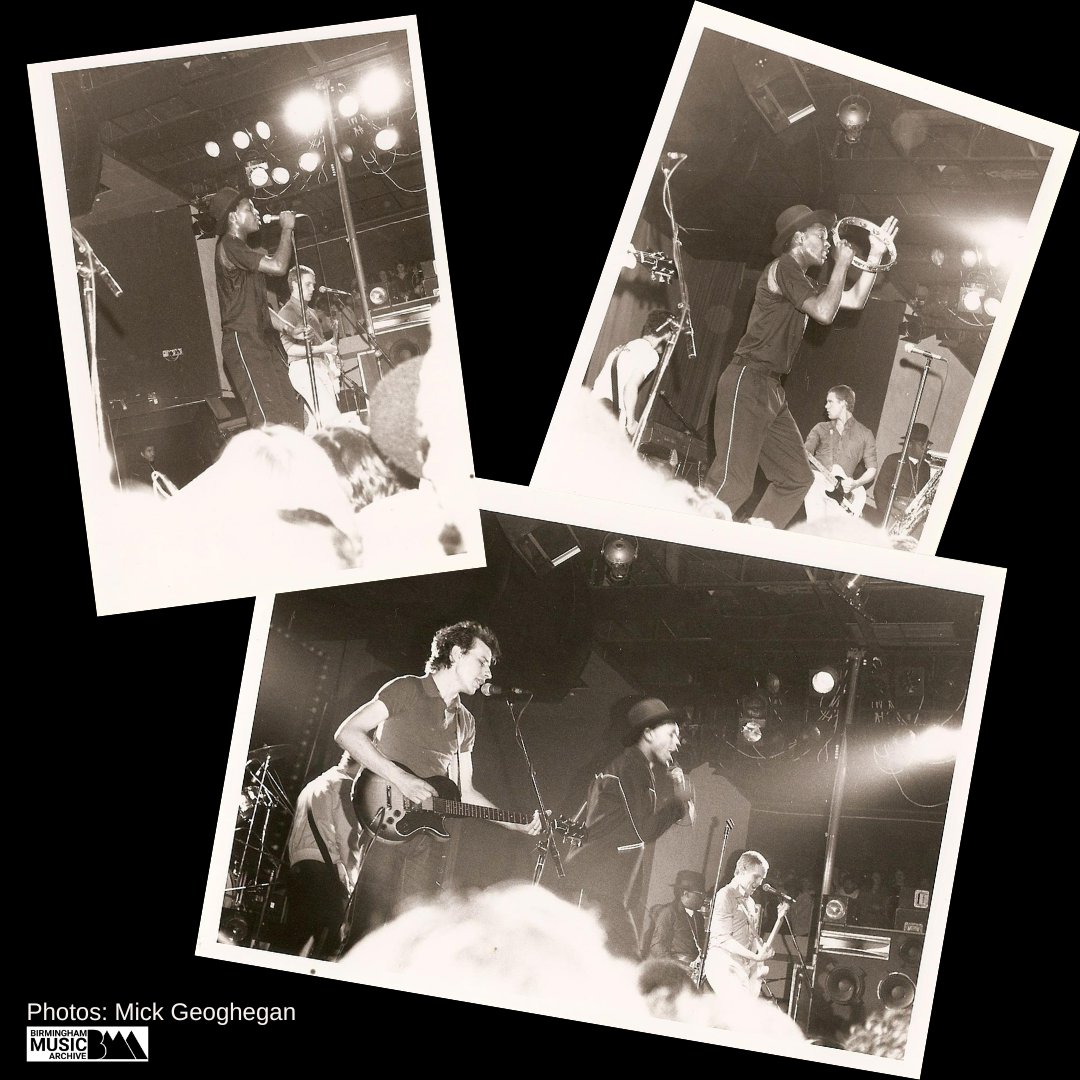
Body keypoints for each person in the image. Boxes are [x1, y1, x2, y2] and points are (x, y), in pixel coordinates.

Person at [334, 621, 542, 945]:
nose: (488, 674)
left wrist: (511, 823)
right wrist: (402, 779)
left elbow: (466, 792)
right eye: (482, 662)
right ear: (457, 654)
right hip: (385, 824)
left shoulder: (466, 722)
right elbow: (347, 732)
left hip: (425, 839)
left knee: (410, 940)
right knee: (365, 937)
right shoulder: (407, 689)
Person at [703, 205, 899, 528]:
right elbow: (824, 312)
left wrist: (875, 255)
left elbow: (853, 300)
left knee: (796, 478)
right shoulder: (784, 267)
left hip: (771, 391)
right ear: (797, 239)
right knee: (733, 482)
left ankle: (753, 538)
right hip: (747, 378)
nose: (827, 244)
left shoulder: (803, 283)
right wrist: (841, 265)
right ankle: (680, 533)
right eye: (821, 236)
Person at [561, 697, 694, 960]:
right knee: (627, 963)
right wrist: (679, 803)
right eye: (671, 734)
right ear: (647, 733)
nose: (678, 742)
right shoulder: (633, 768)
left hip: (601, 886)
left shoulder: (635, 767)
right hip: (597, 886)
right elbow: (643, 830)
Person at [209, 186, 302, 430]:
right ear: (233, 217)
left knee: (290, 413)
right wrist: (287, 228)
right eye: (250, 208)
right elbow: (279, 266)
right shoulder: (229, 245)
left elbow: (260, 309)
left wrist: (290, 328)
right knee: (268, 419)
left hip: (262, 341)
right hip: (244, 342)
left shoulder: (245, 252)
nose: (257, 212)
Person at [281, 752, 362, 961]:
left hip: (298, 868)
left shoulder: (313, 785)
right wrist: (353, 881)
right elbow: (347, 837)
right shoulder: (345, 785)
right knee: (330, 946)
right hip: (323, 872)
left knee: (298, 943)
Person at [704, 850, 789, 997]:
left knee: (739, 1015)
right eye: (756, 877)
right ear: (740, 871)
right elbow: (723, 940)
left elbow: (752, 938)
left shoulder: (750, 902)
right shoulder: (725, 895)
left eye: (762, 878)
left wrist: (762, 951)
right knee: (740, 1010)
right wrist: (755, 957)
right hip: (723, 963)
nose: (759, 883)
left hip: (741, 967)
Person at [272, 264, 343, 432]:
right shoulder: (287, 312)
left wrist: (331, 353)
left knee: (315, 424)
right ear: (295, 284)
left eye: (313, 284)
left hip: (319, 367)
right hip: (303, 368)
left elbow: (321, 345)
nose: (313, 288)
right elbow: (290, 350)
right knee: (330, 417)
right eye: (308, 284)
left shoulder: (310, 311)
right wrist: (323, 349)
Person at [589, 309, 678, 438]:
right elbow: (630, 387)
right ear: (667, 334)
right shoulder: (650, 354)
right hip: (607, 417)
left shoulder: (625, 346)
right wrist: (630, 423)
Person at [802, 385, 877, 520]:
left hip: (842, 494)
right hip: (816, 484)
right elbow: (804, 453)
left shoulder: (865, 434)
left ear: (843, 403)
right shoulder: (820, 428)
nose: (826, 406)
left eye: (830, 401)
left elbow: (872, 469)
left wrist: (856, 484)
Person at [874, 423, 934, 532]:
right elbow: (879, 490)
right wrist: (891, 510)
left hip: (914, 519)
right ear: (910, 444)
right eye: (922, 444)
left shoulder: (925, 468)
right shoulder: (893, 460)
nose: (926, 448)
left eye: (927, 445)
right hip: (893, 514)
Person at [646, 869, 708, 974]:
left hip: (694, 969)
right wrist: (680, 966)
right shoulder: (669, 912)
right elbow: (657, 946)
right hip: (673, 970)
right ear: (685, 893)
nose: (703, 898)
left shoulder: (698, 917)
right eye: (700, 894)